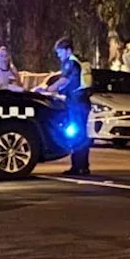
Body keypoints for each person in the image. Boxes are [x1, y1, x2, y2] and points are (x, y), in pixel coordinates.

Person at [44, 37, 91, 175]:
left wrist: (47, 89)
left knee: (76, 133)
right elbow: (69, 83)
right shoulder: (79, 62)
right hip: (81, 101)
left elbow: (63, 80)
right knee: (80, 134)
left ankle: (78, 166)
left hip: (76, 102)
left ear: (68, 50)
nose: (59, 55)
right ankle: (82, 165)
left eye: (60, 52)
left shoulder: (70, 63)